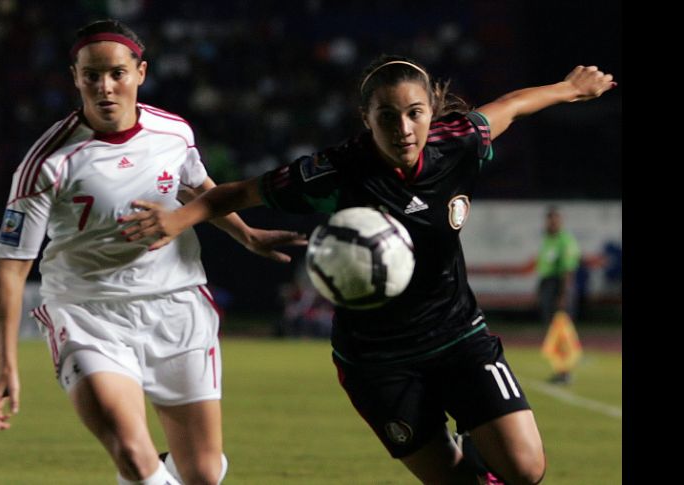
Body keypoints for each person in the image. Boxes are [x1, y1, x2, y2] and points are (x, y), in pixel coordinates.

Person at [119, 54, 616, 484]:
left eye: (415, 114)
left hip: (459, 336)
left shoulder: (457, 142)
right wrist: (182, 219)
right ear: (366, 118)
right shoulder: (338, 171)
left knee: (526, 469)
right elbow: (237, 192)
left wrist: (568, 89)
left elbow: (509, 107)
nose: (403, 129)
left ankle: (480, 432)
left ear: (431, 114)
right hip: (377, 362)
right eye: (387, 116)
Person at [0, 19, 305, 485]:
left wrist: (248, 235)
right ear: (75, 77)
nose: (104, 86)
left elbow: (200, 189)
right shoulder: (46, 164)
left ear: (140, 73)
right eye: (91, 75)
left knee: (204, 474)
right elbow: (11, 270)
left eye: (116, 73)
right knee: (135, 458)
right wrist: (7, 367)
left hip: (176, 307)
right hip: (88, 315)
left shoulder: (173, 133)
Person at [536, 207, 582, 384]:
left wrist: (563, 294)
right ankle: (559, 369)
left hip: (560, 287)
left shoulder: (565, 241)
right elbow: (544, 267)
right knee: (553, 330)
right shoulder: (548, 239)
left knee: (562, 331)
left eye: (554, 220)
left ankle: (566, 370)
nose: (551, 223)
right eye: (549, 220)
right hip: (549, 284)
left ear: (560, 221)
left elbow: (568, 270)